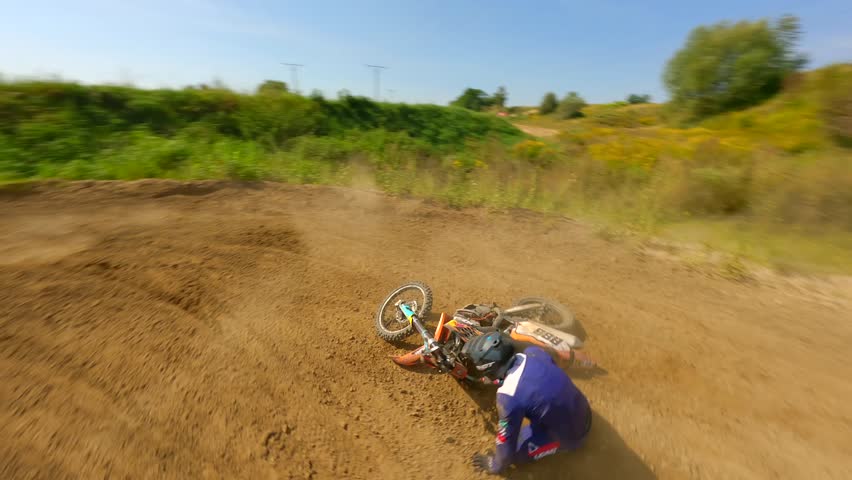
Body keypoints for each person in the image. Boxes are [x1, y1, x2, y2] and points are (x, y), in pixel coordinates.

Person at [464, 332, 592, 475]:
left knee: (513, 453)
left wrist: (495, 465)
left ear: (488, 368)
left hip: (574, 435)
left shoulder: (508, 396)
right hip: (583, 409)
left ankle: (569, 445)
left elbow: (506, 443)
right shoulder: (534, 353)